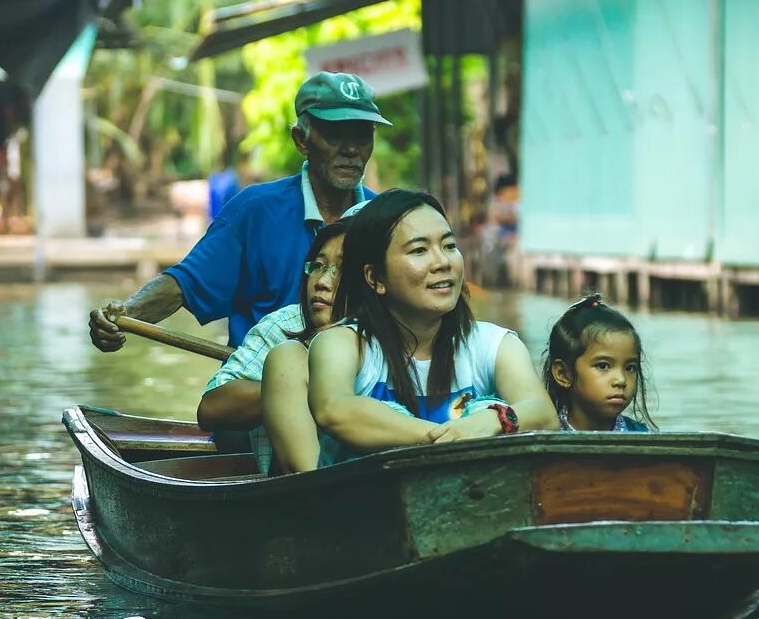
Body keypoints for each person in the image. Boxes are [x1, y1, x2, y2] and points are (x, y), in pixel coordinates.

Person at [88, 71, 390, 352]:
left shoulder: (386, 219)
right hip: (258, 389)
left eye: (362, 135)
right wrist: (124, 316)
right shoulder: (254, 211)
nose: (351, 150)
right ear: (301, 140)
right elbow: (183, 285)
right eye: (336, 135)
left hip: (357, 393)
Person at [308, 189, 557, 467]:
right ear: (375, 277)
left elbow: (543, 414)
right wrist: (449, 438)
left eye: (449, 246)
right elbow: (334, 409)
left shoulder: (495, 345)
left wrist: (494, 419)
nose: (442, 262)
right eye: (419, 250)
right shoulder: (342, 343)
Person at [198, 219, 349, 473]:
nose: (322, 281)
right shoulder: (285, 325)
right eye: (319, 266)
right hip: (295, 492)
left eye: (342, 269)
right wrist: (294, 387)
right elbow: (211, 408)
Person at [543, 293, 655, 432]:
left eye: (630, 368)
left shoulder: (641, 436)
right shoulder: (545, 434)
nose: (621, 380)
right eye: (603, 366)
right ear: (563, 374)